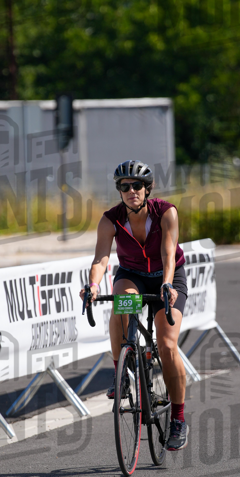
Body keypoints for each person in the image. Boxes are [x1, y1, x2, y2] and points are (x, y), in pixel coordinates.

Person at [79, 160, 188, 451]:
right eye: (124, 187)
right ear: (119, 191)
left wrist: (166, 284)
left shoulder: (166, 212)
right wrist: (93, 285)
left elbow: (168, 252)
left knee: (166, 344)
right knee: (120, 307)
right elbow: (101, 258)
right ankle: (122, 372)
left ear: (147, 189)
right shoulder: (110, 219)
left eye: (137, 186)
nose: (131, 191)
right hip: (134, 275)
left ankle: (178, 417)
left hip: (169, 276)